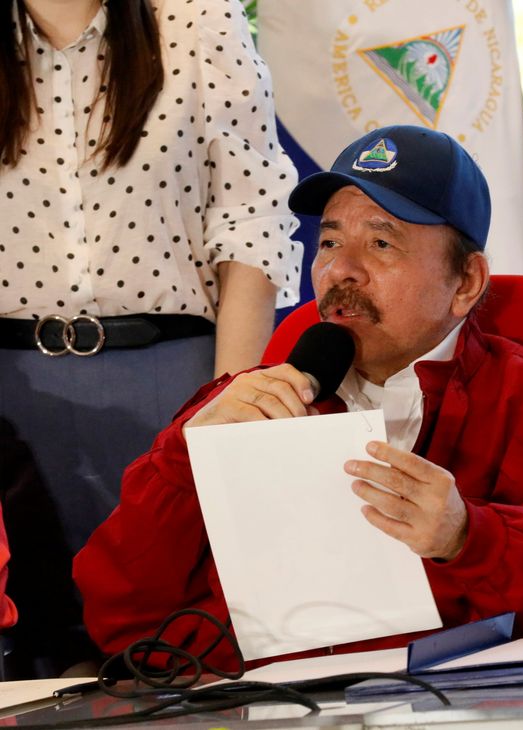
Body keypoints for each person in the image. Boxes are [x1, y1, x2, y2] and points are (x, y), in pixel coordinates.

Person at [74, 125, 523, 671]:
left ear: (466, 282)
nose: (343, 271)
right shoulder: (241, 409)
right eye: (331, 243)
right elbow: (121, 621)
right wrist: (184, 465)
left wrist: (470, 537)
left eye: (382, 244)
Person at [0, 0, 301, 574]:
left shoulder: (199, 20)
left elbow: (253, 219)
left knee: (182, 631)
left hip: (175, 383)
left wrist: (228, 407)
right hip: (11, 398)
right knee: (27, 647)